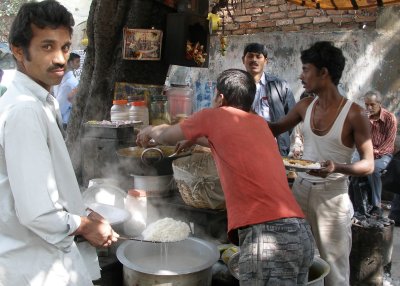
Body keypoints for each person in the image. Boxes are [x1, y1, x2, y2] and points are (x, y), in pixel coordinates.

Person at [136, 69, 315, 285]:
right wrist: (194, 139)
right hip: (299, 232)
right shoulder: (259, 124)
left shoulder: (214, 115)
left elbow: (166, 135)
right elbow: (225, 140)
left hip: (268, 236)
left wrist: (151, 130)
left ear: (220, 98)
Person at [0, 1, 119, 285]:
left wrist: (83, 213)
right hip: (34, 264)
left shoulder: (39, 100)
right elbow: (38, 213)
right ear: (18, 50)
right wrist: (86, 225)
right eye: (47, 47)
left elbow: (44, 184)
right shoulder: (25, 110)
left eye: (65, 47)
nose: (60, 59)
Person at [268, 41, 374, 286]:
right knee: (296, 255)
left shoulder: (354, 114)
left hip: (333, 196)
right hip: (301, 189)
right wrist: (241, 118)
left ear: (323, 73)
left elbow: (368, 165)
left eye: (306, 69)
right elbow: (274, 129)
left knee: (335, 268)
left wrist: (337, 167)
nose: (301, 76)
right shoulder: (305, 106)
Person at [242, 42, 296, 156]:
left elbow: (292, 119)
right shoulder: (236, 86)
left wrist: (282, 138)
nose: (254, 60)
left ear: (266, 60)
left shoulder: (280, 86)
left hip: (273, 149)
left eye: (258, 56)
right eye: (250, 56)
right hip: (243, 147)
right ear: (243, 60)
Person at [363, 90, 397, 216]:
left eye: (372, 104)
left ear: (380, 103)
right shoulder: (363, 116)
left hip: (383, 155)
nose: (369, 108)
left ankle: (376, 205)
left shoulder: (390, 118)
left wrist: (372, 153)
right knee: (348, 166)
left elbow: (388, 145)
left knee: (373, 169)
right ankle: (355, 204)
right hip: (365, 152)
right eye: (366, 104)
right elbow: (359, 138)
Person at [54, 52, 80, 129]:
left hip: (65, 120)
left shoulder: (70, 82)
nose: (79, 64)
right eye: (77, 61)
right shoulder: (64, 81)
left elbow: (60, 106)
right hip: (63, 119)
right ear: (69, 63)